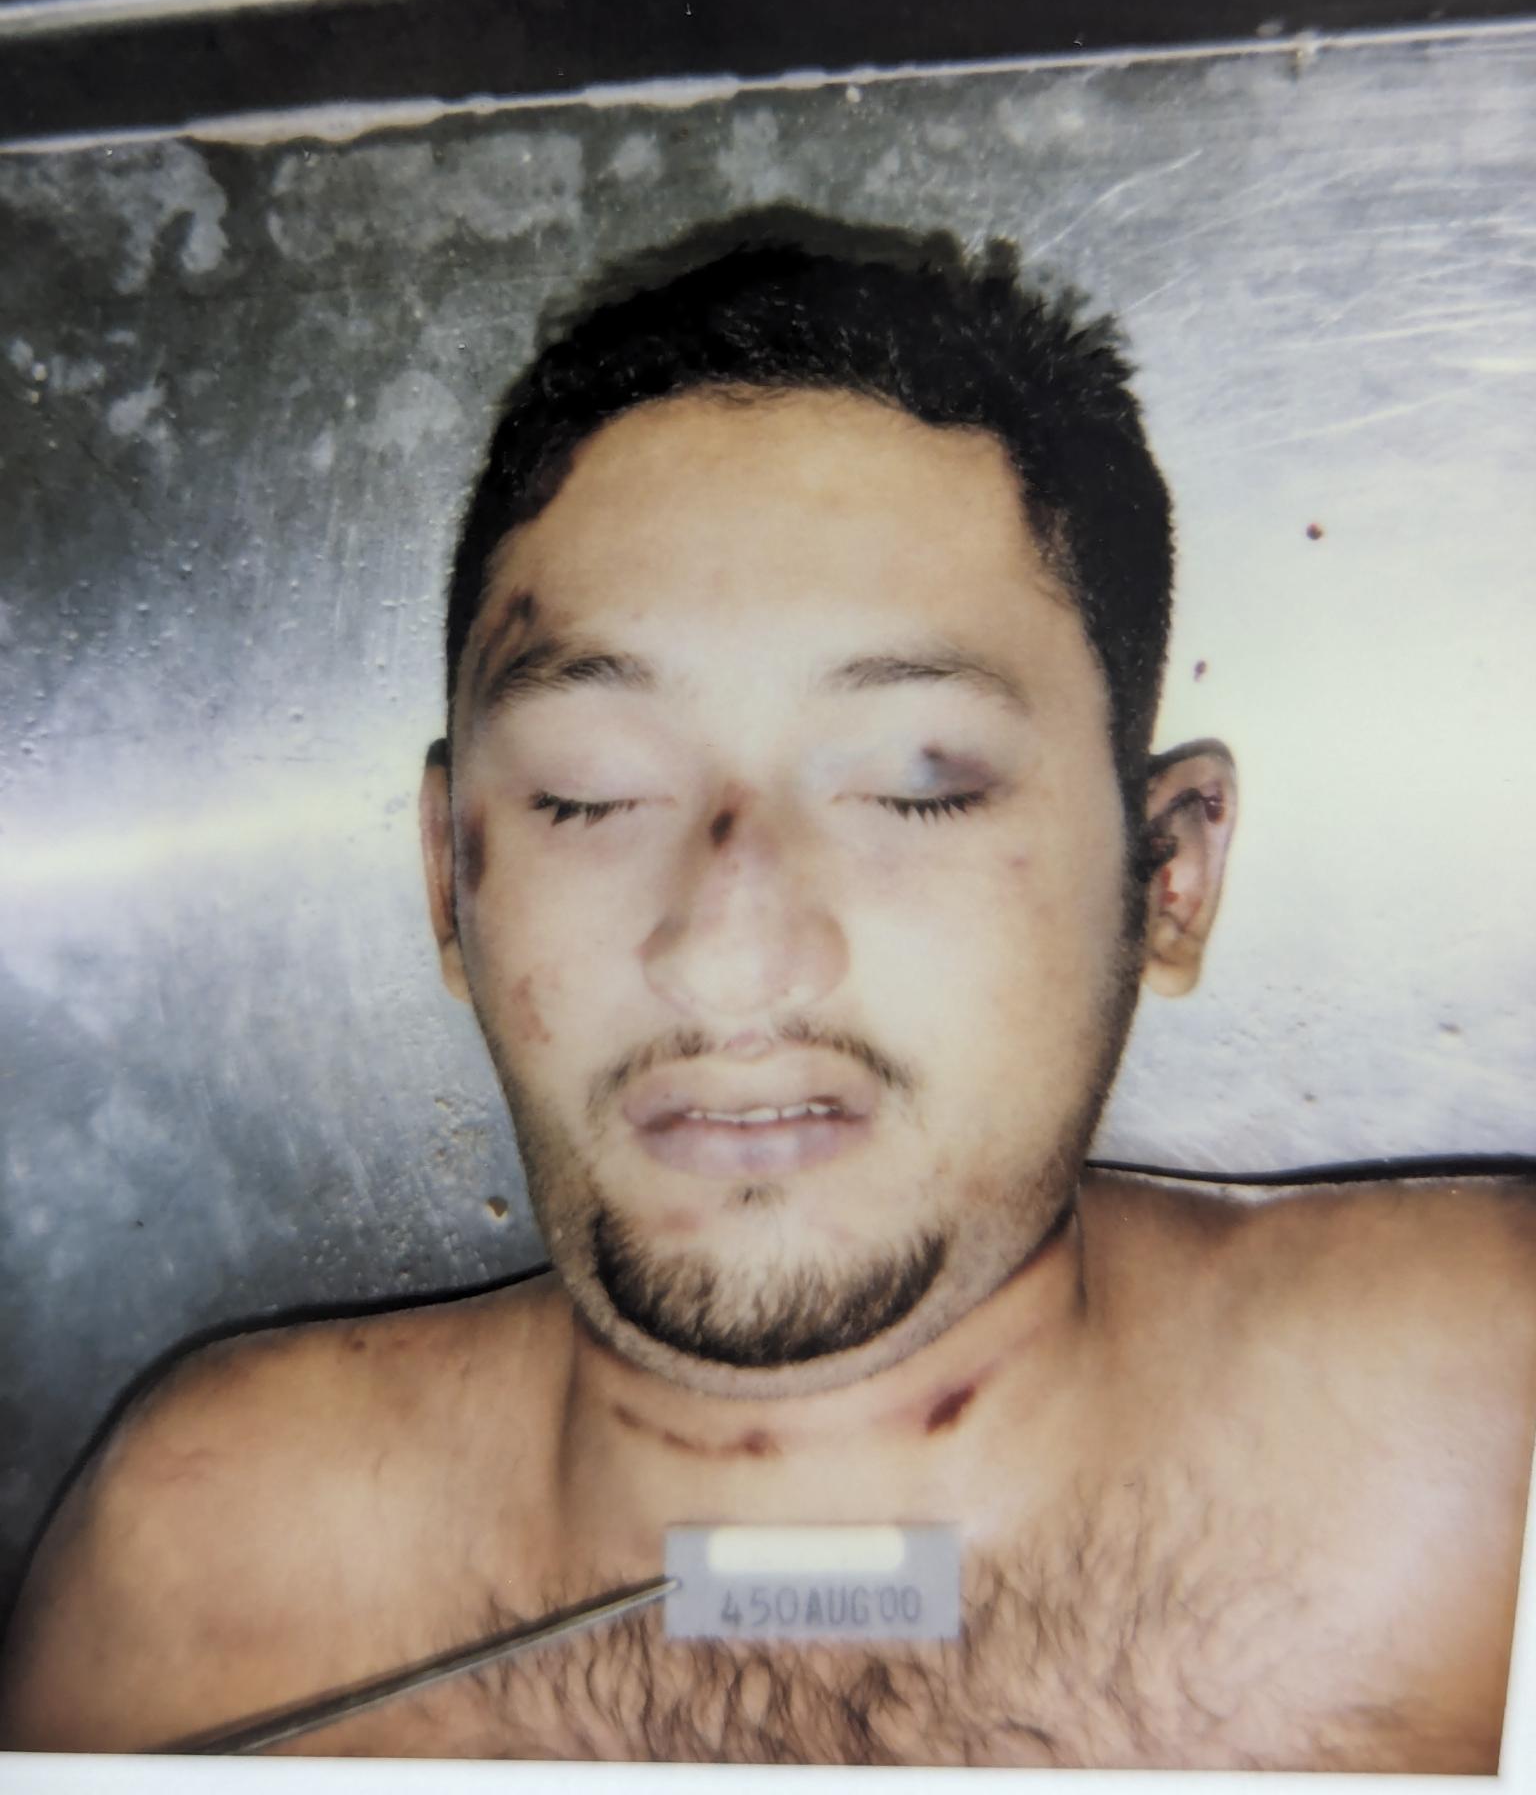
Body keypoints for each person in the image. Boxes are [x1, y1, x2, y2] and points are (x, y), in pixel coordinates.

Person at [1, 211, 1531, 1770]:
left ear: (1171, 877)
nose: (728, 948)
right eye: (590, 793)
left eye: (918, 786)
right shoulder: (209, 1566)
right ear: (450, 879)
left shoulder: (1490, 1434)